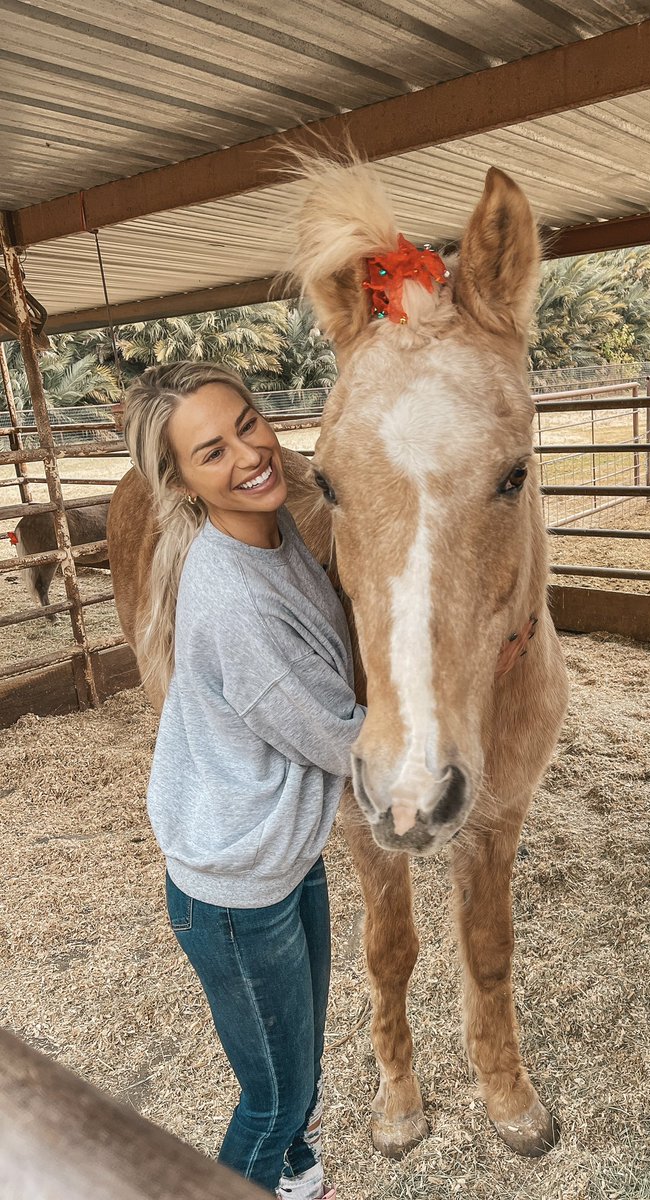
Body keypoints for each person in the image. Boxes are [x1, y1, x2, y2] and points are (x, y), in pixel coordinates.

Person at [123, 361, 364, 1200]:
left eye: (249, 425)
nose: (249, 456)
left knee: (297, 1063)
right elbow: (339, 737)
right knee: (275, 1099)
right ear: (184, 483)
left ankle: (295, 1176)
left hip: (282, 855)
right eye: (211, 452)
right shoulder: (232, 596)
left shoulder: (275, 529)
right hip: (236, 890)